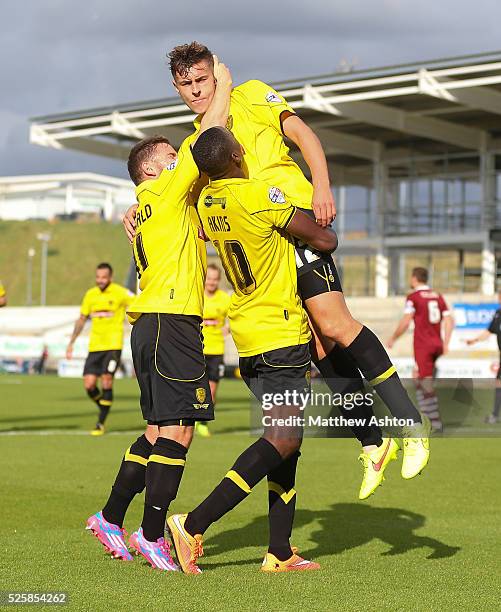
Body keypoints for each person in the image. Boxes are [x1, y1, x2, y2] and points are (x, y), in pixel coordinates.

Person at [123, 42, 429, 497]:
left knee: (333, 323)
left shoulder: (251, 94)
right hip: (267, 244)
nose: (195, 89)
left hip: (294, 221)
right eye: (186, 84)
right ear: (176, 87)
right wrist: (136, 205)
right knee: (320, 350)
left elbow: (304, 136)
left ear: (217, 74)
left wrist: (321, 185)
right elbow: (175, 196)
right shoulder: (201, 137)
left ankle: (411, 423)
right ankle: (371, 443)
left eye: (202, 79)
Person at [168, 126, 337, 574]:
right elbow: (325, 241)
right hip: (278, 333)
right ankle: (193, 523)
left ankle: (279, 551)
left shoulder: (206, 202)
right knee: (282, 438)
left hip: (246, 334)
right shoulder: (261, 194)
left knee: (287, 443)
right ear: (241, 153)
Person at [86, 58, 232, 571]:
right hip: (172, 321)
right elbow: (210, 133)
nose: (178, 160)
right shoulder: (168, 190)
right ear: (151, 168)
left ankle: (109, 516)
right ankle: (151, 534)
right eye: (170, 156)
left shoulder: (147, 205)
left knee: (155, 431)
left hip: (149, 322)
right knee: (179, 431)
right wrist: (224, 83)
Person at [66, 263, 132, 435]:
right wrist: (71, 342)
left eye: (103, 277)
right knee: (89, 385)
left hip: (113, 346)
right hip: (95, 347)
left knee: (107, 380)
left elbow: (137, 304)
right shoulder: (90, 295)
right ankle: (104, 406)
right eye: (98, 277)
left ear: (110, 277)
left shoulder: (120, 293)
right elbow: (81, 319)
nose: (100, 280)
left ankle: (100, 424)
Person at [388, 267, 454, 432]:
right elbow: (449, 320)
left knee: (425, 382)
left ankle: (434, 423)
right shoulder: (438, 296)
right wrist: (445, 342)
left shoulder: (414, 297)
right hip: (436, 343)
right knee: (418, 377)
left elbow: (406, 320)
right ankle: (425, 416)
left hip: (423, 345)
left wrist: (393, 337)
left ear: (414, 279)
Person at [195, 263, 231, 438]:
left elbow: (237, 316)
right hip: (196, 350)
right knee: (193, 389)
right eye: (209, 278)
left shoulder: (225, 299)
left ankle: (202, 423)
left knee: (212, 392)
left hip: (216, 350)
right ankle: (190, 419)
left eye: (215, 279)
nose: (212, 282)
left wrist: (229, 328)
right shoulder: (196, 296)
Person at [466, 290, 501, 424]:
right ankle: (494, 414)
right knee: (498, 383)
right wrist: (474, 340)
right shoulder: (498, 314)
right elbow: (489, 331)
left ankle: (494, 415)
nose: (499, 298)